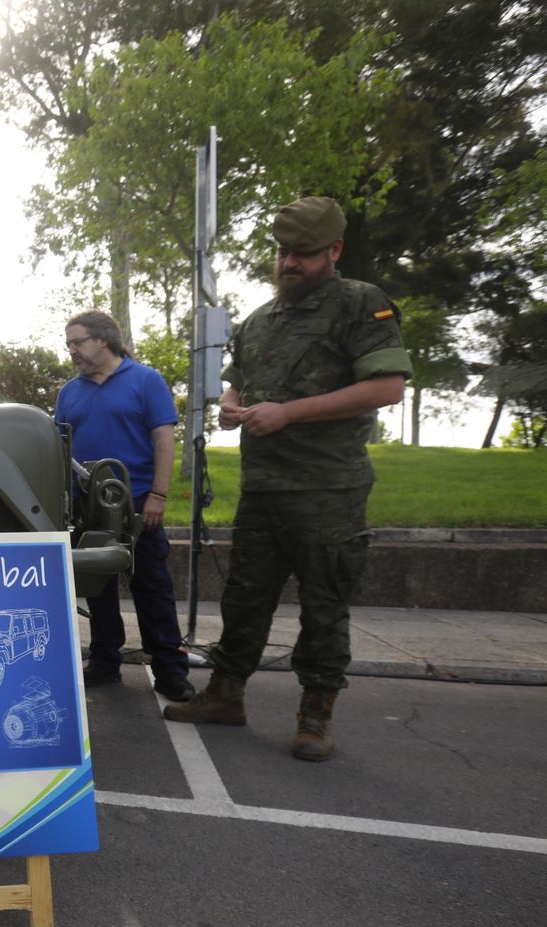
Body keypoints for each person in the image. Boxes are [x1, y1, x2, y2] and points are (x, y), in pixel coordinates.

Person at [165, 196, 411, 761]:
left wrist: (288, 413)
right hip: (264, 488)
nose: (289, 263)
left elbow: (387, 387)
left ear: (334, 250)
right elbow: (237, 380)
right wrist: (231, 404)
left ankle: (315, 715)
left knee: (324, 605)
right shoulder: (262, 319)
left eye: (303, 253)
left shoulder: (361, 304)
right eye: (283, 253)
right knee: (244, 597)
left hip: (329, 490)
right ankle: (225, 696)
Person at [55, 310, 193, 703]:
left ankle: (169, 669)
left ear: (103, 339)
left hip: (138, 499)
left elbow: (164, 440)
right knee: (98, 587)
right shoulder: (69, 392)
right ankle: (104, 662)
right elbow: (60, 447)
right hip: (87, 503)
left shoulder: (146, 380)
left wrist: (159, 496)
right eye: (68, 344)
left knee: (151, 584)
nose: (72, 350)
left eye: (78, 342)